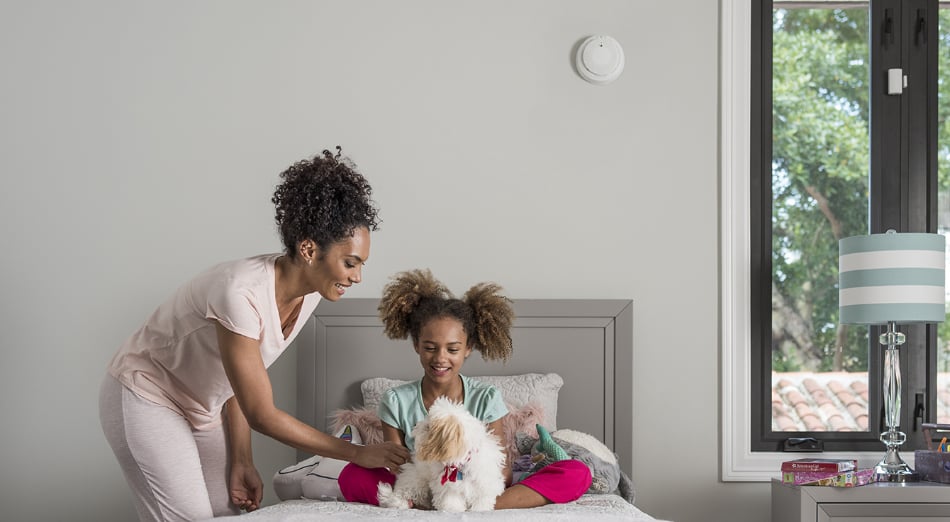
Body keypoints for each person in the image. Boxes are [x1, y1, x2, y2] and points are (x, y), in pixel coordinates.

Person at [98, 148, 411, 522]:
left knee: (227, 514)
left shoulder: (310, 295)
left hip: (203, 407)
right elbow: (261, 413)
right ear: (309, 249)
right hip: (146, 395)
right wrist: (357, 453)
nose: (357, 277)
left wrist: (242, 460)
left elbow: (239, 383)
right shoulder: (240, 292)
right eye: (350, 263)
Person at [337, 269, 592, 509]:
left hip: (479, 487)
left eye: (452, 349)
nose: (440, 358)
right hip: (425, 484)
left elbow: (500, 468)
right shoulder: (395, 400)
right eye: (429, 347)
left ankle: (482, 507)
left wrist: (466, 484)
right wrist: (439, 480)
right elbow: (397, 466)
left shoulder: (486, 397)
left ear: (468, 348)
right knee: (351, 476)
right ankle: (434, 504)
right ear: (416, 344)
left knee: (577, 472)